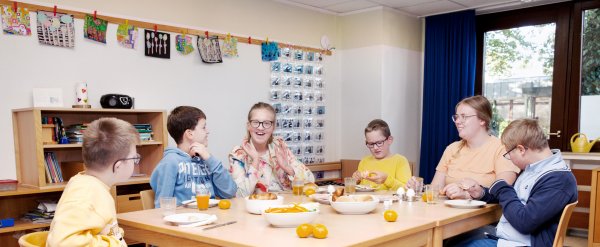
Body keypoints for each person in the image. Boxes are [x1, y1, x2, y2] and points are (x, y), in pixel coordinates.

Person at [460, 118, 578, 247]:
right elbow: (514, 199)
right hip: (510, 237)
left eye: (509, 153)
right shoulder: (533, 169)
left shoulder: (558, 179)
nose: (509, 158)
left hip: (523, 243)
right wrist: (482, 193)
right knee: (458, 238)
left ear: (521, 149)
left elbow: (525, 222)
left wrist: (502, 187)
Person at [47, 118, 140, 246]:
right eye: (134, 158)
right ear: (118, 166)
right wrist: (113, 243)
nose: (135, 162)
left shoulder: (92, 186)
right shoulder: (87, 193)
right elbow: (62, 243)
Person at [407, 95, 520, 199]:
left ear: (482, 120)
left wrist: (467, 195)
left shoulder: (502, 149)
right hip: (449, 214)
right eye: (456, 117)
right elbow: (435, 190)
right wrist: (419, 189)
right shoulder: (452, 149)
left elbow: (503, 192)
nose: (457, 121)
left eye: (464, 117)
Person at [150, 106, 236, 207]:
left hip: (209, 217)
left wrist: (210, 159)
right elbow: (163, 206)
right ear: (189, 134)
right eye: (203, 127)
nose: (207, 131)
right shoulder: (170, 162)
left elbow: (229, 192)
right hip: (184, 220)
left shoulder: (205, 160)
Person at [228, 102, 315, 197]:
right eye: (255, 122)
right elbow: (240, 195)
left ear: (273, 127)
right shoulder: (238, 154)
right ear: (249, 126)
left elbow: (310, 180)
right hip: (256, 208)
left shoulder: (279, 146)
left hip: (286, 206)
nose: (260, 127)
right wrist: (255, 161)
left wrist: (287, 167)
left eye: (266, 123)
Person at [351, 119, 411, 191]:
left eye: (379, 143)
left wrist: (386, 179)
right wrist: (355, 181)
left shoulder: (400, 161)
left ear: (389, 140)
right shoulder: (364, 161)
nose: (375, 148)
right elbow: (358, 189)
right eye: (371, 144)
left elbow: (407, 190)